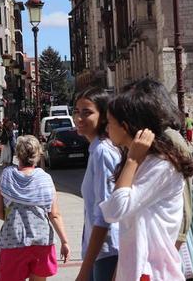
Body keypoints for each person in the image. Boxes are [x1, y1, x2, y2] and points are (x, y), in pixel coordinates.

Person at [99, 79, 193, 281]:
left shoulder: (161, 166)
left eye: (110, 122)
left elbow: (115, 209)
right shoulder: (142, 161)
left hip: (153, 272)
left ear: (125, 126)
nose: (106, 128)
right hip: (137, 269)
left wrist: (133, 160)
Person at [0, 135, 70, 281]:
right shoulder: (45, 178)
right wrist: (64, 242)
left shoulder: (7, 176)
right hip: (42, 240)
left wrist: (11, 217)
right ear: (38, 154)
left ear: (18, 154)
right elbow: (54, 214)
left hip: (13, 240)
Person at [73, 87, 120, 281]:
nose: (79, 118)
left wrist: (86, 268)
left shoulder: (102, 151)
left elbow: (104, 213)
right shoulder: (97, 149)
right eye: (76, 111)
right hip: (102, 251)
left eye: (87, 112)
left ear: (103, 117)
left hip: (107, 250)